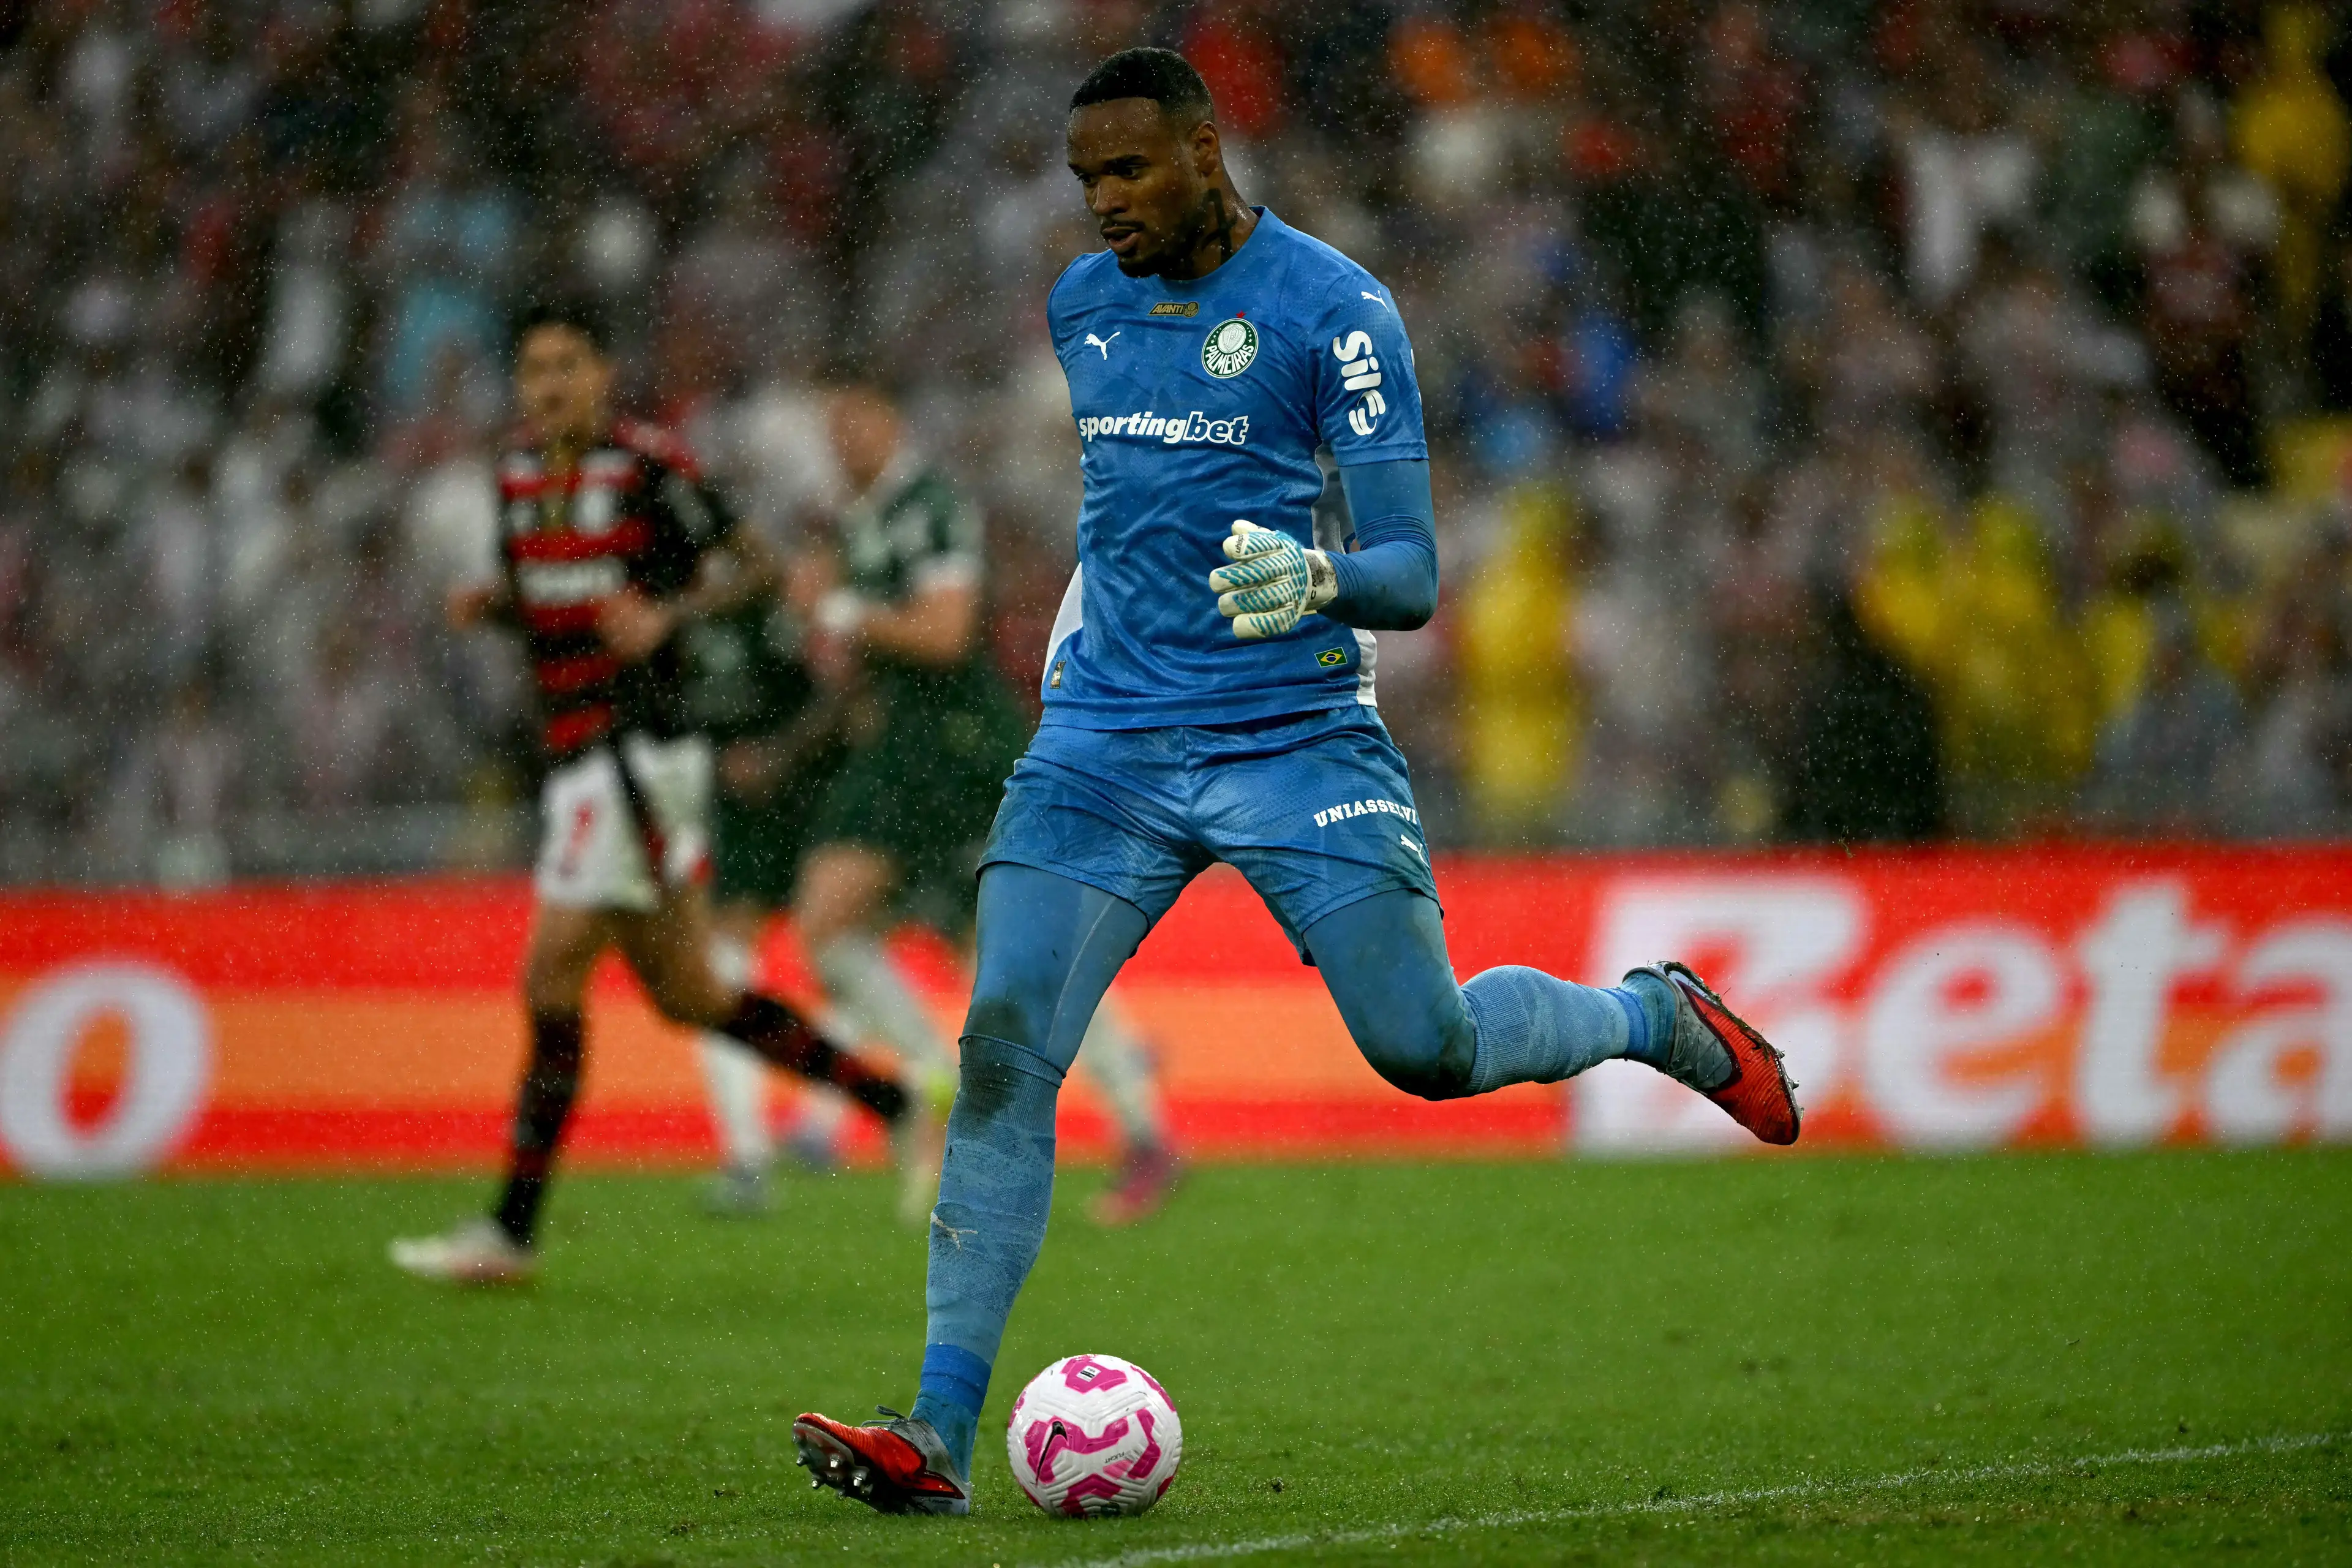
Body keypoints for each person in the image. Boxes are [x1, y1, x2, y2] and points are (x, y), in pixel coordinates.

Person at [790, 50, 1801, 1515]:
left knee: (1427, 1046)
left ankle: (1654, 1011)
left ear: (1206, 150)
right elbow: (1125, 514)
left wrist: (1320, 572)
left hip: (1295, 736)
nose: (1105, 207)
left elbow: (1413, 571)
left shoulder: (1340, 311)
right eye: (1086, 183)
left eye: (1130, 171)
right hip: (1107, 743)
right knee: (1004, 1048)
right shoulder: (1083, 308)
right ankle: (937, 1431)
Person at [389, 298, 920, 1285]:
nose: (550, 389)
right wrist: (496, 607)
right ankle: (886, 1102)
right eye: (534, 371)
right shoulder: (514, 481)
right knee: (693, 995)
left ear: (600, 375)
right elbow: (552, 615)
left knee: (550, 977)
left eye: (567, 368)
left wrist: (669, 614)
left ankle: (510, 1230)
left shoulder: (648, 470)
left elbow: (759, 569)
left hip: (639, 755)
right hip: (574, 756)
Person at [775, 380, 1183, 1227]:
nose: (841, 441)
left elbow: (946, 634)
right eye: (830, 428)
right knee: (856, 929)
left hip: (957, 754)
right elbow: (868, 654)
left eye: (854, 419)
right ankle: (943, 1078)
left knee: (1017, 960)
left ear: (891, 419)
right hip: (902, 756)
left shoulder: (930, 508)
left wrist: (844, 611)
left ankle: (1139, 1132)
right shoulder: (858, 524)